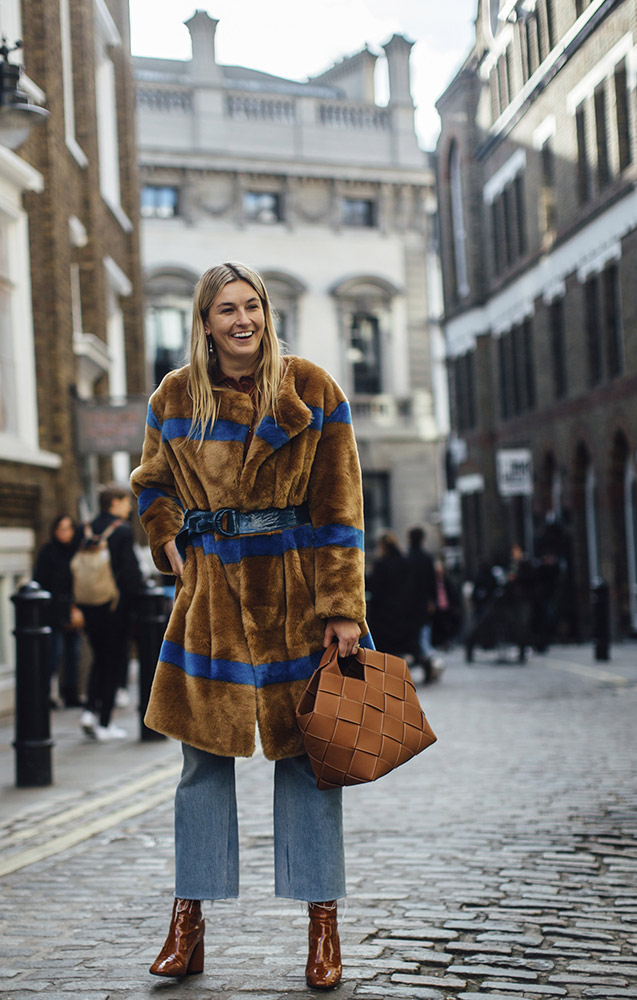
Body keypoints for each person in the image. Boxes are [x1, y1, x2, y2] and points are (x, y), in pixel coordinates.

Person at [130, 262, 370, 990]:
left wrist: (344, 609)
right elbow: (151, 483)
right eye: (226, 309)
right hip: (212, 602)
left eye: (252, 306)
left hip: (297, 594)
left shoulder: (313, 389)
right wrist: (168, 538)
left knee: (309, 760)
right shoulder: (174, 396)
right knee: (201, 765)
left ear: (266, 312)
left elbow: (340, 505)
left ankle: (321, 926)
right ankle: (188, 920)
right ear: (204, 321)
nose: (243, 320)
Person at [78, 485, 144, 741]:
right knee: (114, 662)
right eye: (126, 502)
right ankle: (104, 722)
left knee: (99, 659)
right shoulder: (122, 531)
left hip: (90, 606)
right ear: (114, 503)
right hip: (116, 607)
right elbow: (129, 574)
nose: (129, 507)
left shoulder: (86, 528)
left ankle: (88, 711)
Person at [33, 514, 84, 708]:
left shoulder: (76, 551)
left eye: (68, 528)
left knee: (73, 654)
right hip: (54, 612)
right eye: (61, 528)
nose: (65, 532)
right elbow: (41, 581)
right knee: (54, 654)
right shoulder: (48, 552)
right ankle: (44, 695)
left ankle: (71, 693)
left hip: (73, 609)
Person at [367, 531, 417, 658]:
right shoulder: (406, 562)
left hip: (384, 613)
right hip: (404, 611)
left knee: (386, 652)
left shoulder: (381, 565)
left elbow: (374, 588)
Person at [405, 526, 438, 680]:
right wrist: (433, 600)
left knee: (415, 637)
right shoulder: (427, 558)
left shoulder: (408, 558)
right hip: (424, 603)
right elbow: (432, 583)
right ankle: (427, 662)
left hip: (410, 604)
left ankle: (424, 661)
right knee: (424, 636)